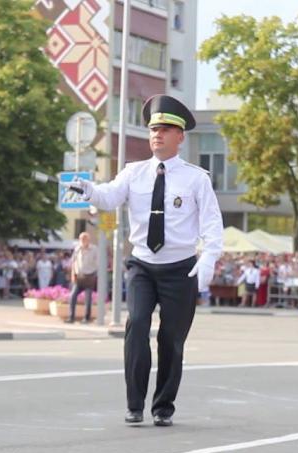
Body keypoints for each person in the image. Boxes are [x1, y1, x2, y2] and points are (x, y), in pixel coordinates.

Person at [68, 94, 223, 427]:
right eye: (154, 128)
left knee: (171, 339)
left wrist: (208, 259)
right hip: (142, 264)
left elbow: (212, 225)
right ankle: (134, 403)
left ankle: (163, 405)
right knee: (137, 325)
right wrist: (89, 190)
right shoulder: (133, 172)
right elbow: (109, 195)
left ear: (180, 136)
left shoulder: (196, 179)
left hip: (181, 268)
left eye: (165, 129)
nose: (157, 134)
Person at [67, 232, 98, 323]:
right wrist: (73, 273)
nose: (83, 240)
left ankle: (86, 318)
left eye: (85, 238)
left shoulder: (94, 249)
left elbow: (98, 263)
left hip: (89, 276)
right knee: (72, 296)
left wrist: (95, 274)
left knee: (88, 298)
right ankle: (71, 317)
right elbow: (73, 262)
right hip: (79, 276)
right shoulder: (77, 249)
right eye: (81, 239)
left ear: (88, 240)